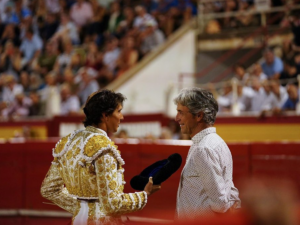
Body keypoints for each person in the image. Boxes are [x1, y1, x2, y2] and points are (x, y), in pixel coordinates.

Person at [41, 90, 160, 224]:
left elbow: (49, 189)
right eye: (119, 111)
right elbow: (112, 205)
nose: (122, 117)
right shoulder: (103, 148)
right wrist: (144, 195)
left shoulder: (67, 142)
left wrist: (82, 207)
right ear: (105, 116)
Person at [174, 87, 241, 220]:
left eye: (181, 112)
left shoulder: (203, 149)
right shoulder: (218, 143)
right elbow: (230, 191)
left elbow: (220, 203)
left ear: (199, 116)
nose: (177, 118)